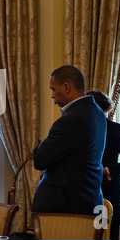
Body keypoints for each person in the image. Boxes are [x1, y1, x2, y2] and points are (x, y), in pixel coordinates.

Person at [32, 65, 106, 216]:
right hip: (90, 199)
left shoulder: (71, 120)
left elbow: (39, 160)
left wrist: (40, 147)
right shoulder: (97, 112)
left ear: (66, 87)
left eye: (53, 89)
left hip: (65, 209)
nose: (52, 95)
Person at [87, 90, 120, 240]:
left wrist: (107, 170)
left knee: (107, 236)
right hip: (85, 194)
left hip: (107, 194)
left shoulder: (116, 130)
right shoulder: (80, 129)